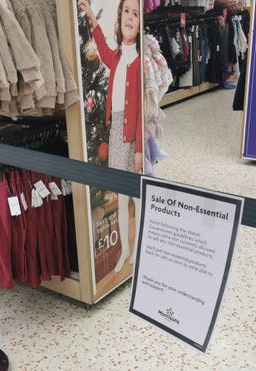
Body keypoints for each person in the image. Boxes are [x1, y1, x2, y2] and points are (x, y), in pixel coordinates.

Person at [78, 0, 143, 273]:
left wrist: (139, 149)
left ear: (141, 24)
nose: (130, 18)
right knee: (122, 193)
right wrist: (91, 17)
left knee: (136, 195)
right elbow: (102, 49)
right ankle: (124, 250)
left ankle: (137, 249)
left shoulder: (140, 63)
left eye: (136, 14)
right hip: (116, 130)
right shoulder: (117, 56)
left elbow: (140, 110)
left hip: (132, 136)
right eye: (126, 11)